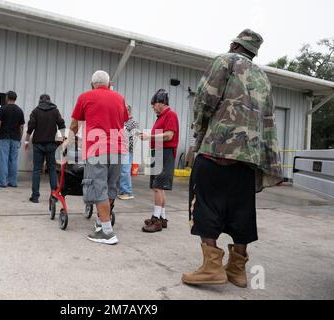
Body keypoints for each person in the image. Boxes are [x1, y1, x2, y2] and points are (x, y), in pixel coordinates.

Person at [182, 29, 283, 288]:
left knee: (205, 206)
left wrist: (199, 132)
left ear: (234, 45)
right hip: (249, 159)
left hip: (217, 150)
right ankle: (237, 271)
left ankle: (211, 268)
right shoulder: (263, 77)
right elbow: (269, 120)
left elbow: (206, 99)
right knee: (241, 213)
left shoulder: (226, 61)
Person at [67, 70, 128, 245]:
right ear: (108, 83)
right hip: (118, 148)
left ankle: (107, 232)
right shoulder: (119, 98)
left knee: (98, 188)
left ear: (92, 83)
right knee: (110, 187)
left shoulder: (85, 97)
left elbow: (74, 124)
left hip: (97, 148)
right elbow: (123, 121)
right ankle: (101, 224)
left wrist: (68, 142)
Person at [140, 89, 179, 233]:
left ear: (160, 103)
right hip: (158, 152)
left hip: (164, 153)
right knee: (159, 187)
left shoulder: (171, 115)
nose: (152, 108)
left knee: (158, 186)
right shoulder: (162, 116)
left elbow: (169, 135)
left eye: (153, 105)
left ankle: (156, 220)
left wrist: (149, 136)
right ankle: (162, 218)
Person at [25, 94, 66, 203]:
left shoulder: (35, 111)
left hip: (38, 144)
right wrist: (62, 138)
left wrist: (26, 140)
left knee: (37, 170)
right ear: (49, 100)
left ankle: (35, 197)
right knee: (52, 169)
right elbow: (61, 124)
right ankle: (54, 195)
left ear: (40, 100)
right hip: (51, 144)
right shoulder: (55, 111)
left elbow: (30, 126)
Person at [0, 91, 25, 188]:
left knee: (3, 159)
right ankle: (13, 182)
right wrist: (20, 138)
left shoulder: (3, 109)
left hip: (4, 137)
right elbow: (21, 127)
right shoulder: (19, 110)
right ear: (15, 99)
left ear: (7, 98)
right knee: (13, 160)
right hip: (16, 138)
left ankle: (2, 182)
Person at [118, 104, 139, 200]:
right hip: (120, 149)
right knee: (120, 171)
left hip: (126, 150)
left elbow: (133, 138)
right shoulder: (121, 122)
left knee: (125, 171)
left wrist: (127, 149)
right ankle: (122, 191)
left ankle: (127, 192)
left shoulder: (133, 123)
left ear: (128, 112)